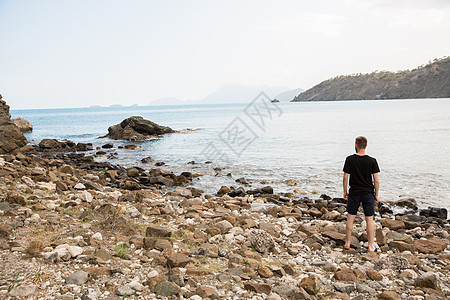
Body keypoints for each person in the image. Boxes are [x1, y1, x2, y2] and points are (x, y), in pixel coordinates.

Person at [343, 136, 381, 253]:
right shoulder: (372, 161)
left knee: (351, 217)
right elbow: (376, 180)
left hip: (354, 192)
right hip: (368, 192)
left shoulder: (350, 159)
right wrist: (376, 194)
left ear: (356, 145)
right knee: (369, 219)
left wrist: (345, 191)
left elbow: (345, 177)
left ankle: (348, 242)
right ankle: (370, 245)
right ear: (366, 146)